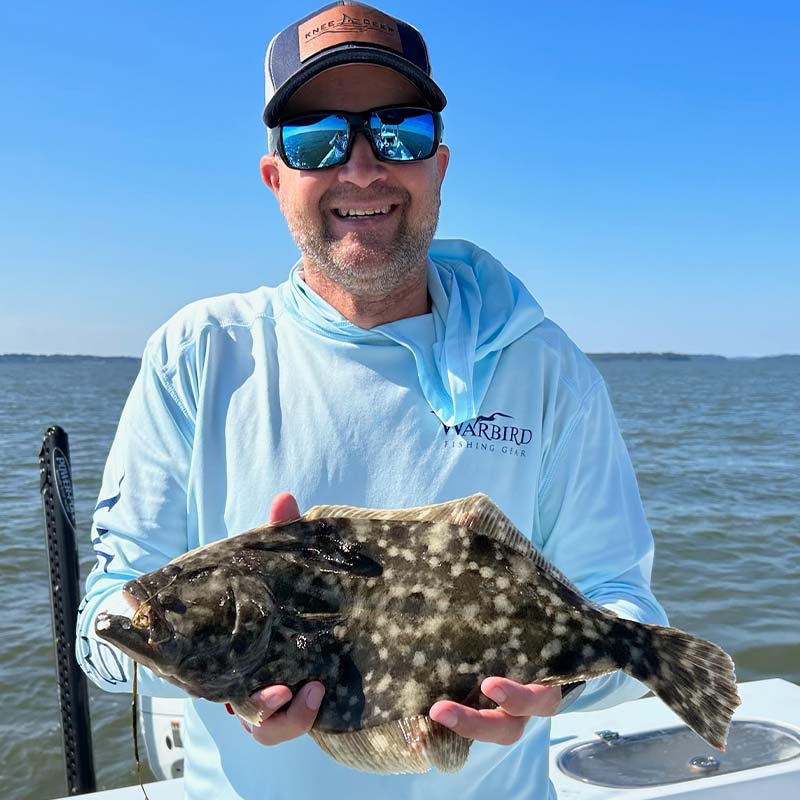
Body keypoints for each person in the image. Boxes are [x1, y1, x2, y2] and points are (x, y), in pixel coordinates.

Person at [76, 3, 668, 798]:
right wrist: (201, 668)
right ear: (275, 177)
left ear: (440, 165)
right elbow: (103, 633)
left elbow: (628, 614)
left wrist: (557, 686)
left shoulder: (544, 366)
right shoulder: (200, 353)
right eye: (317, 138)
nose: (361, 168)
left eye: (400, 131)